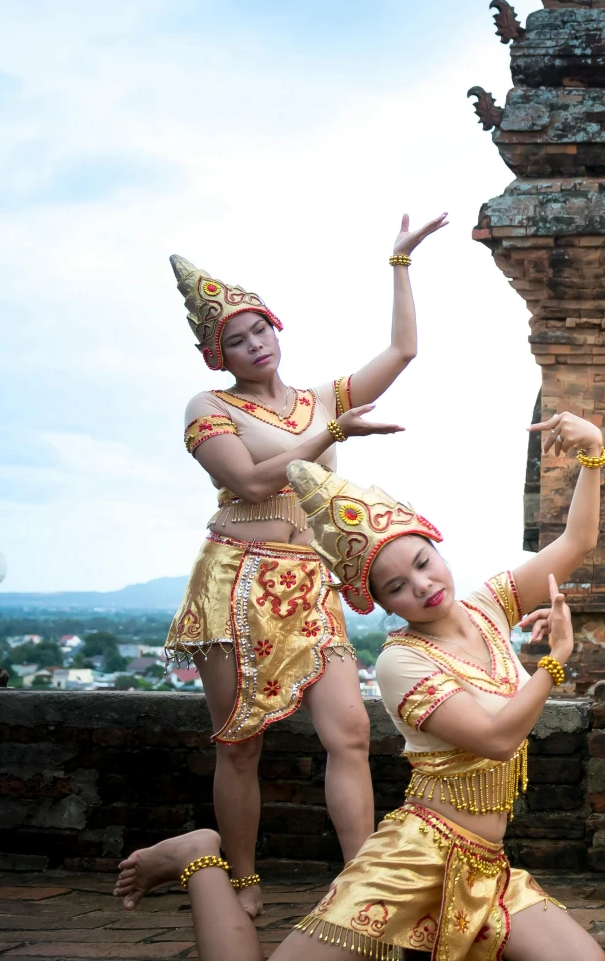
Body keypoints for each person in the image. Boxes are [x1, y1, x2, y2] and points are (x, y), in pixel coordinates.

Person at [113, 410, 605, 961]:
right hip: (412, 861)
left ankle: (429, 960)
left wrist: (593, 454)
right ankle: (201, 856)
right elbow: (494, 738)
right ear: (378, 602)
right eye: (397, 585)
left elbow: (577, 543)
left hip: (481, 863)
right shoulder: (402, 661)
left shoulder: (489, 606)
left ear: (435, 543)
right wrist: (553, 666)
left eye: (424, 562)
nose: (423, 586)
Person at [163, 218, 445, 918]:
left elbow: (403, 350)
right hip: (238, 578)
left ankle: (361, 877)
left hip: (309, 577)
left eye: (260, 330)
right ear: (214, 353)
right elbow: (256, 483)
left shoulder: (318, 398)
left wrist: (400, 262)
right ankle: (245, 880)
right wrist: (337, 431)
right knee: (240, 744)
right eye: (236, 338)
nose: (254, 345)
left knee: (348, 731)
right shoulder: (210, 408)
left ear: (276, 329)